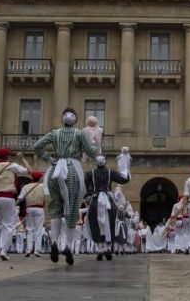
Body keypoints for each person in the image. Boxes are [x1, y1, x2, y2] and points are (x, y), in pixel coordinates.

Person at [35, 107, 98, 265]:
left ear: (62, 119)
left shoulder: (55, 133)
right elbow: (92, 152)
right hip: (72, 169)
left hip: (55, 171)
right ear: (75, 120)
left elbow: (38, 146)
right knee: (72, 208)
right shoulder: (79, 133)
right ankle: (69, 247)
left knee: (56, 206)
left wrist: (49, 159)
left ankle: (55, 242)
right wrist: (94, 141)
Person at [84, 155, 130, 260]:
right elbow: (125, 179)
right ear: (105, 162)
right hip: (108, 201)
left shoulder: (89, 173)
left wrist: (89, 194)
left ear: (95, 162)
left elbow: (86, 185)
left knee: (96, 224)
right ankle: (108, 248)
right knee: (110, 224)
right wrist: (125, 163)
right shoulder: (111, 172)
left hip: (95, 200)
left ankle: (100, 249)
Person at [18, 171, 46, 257]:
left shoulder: (26, 187)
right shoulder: (43, 186)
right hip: (39, 208)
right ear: (39, 178)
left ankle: (29, 249)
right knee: (38, 229)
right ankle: (37, 250)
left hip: (29, 208)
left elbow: (20, 198)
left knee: (30, 229)